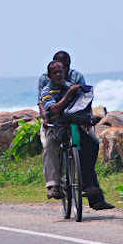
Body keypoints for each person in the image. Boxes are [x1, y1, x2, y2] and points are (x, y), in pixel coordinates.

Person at [38, 54, 114, 210]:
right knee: (49, 145)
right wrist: (46, 118)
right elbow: (47, 106)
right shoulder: (46, 87)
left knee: (91, 143)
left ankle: (91, 189)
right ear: (49, 75)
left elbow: (83, 102)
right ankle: (53, 185)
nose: (61, 73)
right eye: (56, 72)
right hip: (55, 124)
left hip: (74, 122)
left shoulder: (75, 79)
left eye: (63, 69)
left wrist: (88, 119)